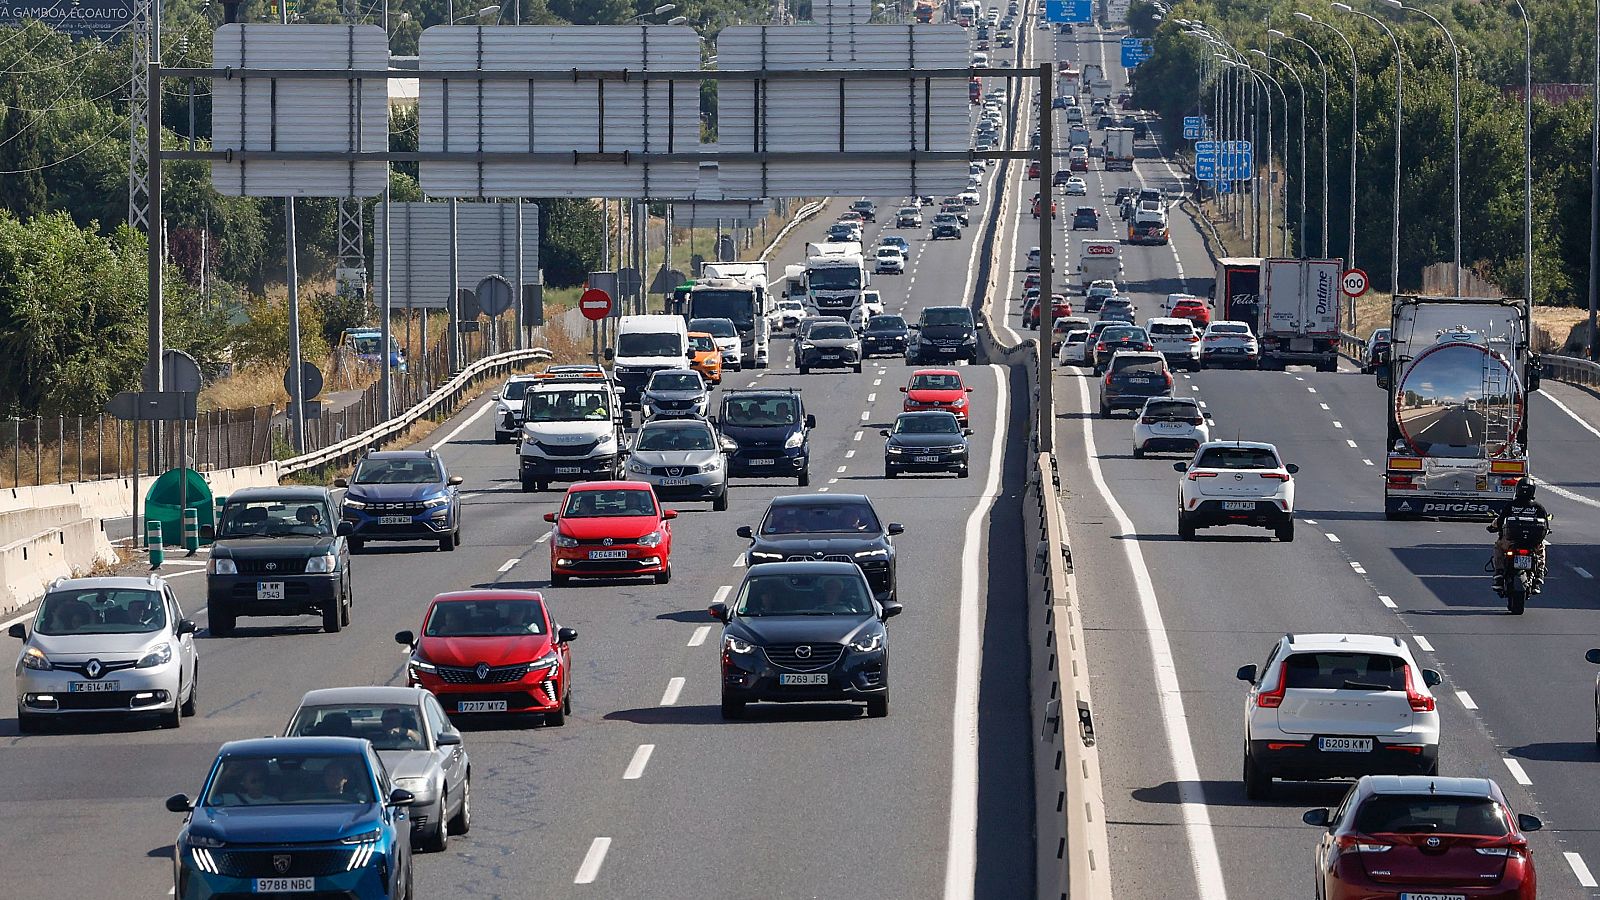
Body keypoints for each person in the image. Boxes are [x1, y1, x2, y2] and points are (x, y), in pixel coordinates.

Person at [1487, 478, 1551, 594]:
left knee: (1498, 547)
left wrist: (1494, 528)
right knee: (1541, 549)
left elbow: (1500, 521)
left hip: (1511, 542)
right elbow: (1546, 526)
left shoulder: (1511, 505)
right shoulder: (1538, 507)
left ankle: (1499, 574)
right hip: (1532, 543)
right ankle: (1539, 574)